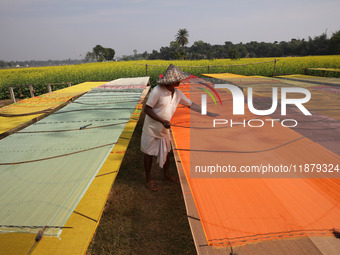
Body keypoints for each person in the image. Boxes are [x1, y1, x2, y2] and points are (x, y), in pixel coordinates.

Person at [141, 64, 217, 191]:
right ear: (171, 81)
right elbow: (147, 109)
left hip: (164, 128)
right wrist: (162, 120)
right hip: (152, 128)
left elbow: (191, 105)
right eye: (178, 80)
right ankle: (148, 179)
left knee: (167, 151)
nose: (180, 81)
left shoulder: (177, 94)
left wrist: (209, 113)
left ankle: (166, 175)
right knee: (148, 153)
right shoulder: (157, 91)